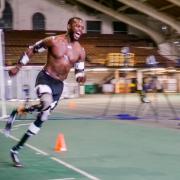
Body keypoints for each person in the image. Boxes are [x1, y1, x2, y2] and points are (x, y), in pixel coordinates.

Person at [4, 17, 86, 167]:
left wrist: (81, 78)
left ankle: (16, 148)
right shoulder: (53, 41)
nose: (80, 29)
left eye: (82, 27)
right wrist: (18, 66)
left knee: (43, 116)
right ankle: (20, 112)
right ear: (68, 26)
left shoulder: (80, 51)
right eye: (77, 25)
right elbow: (32, 49)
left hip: (58, 86)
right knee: (46, 102)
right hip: (45, 79)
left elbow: (80, 71)